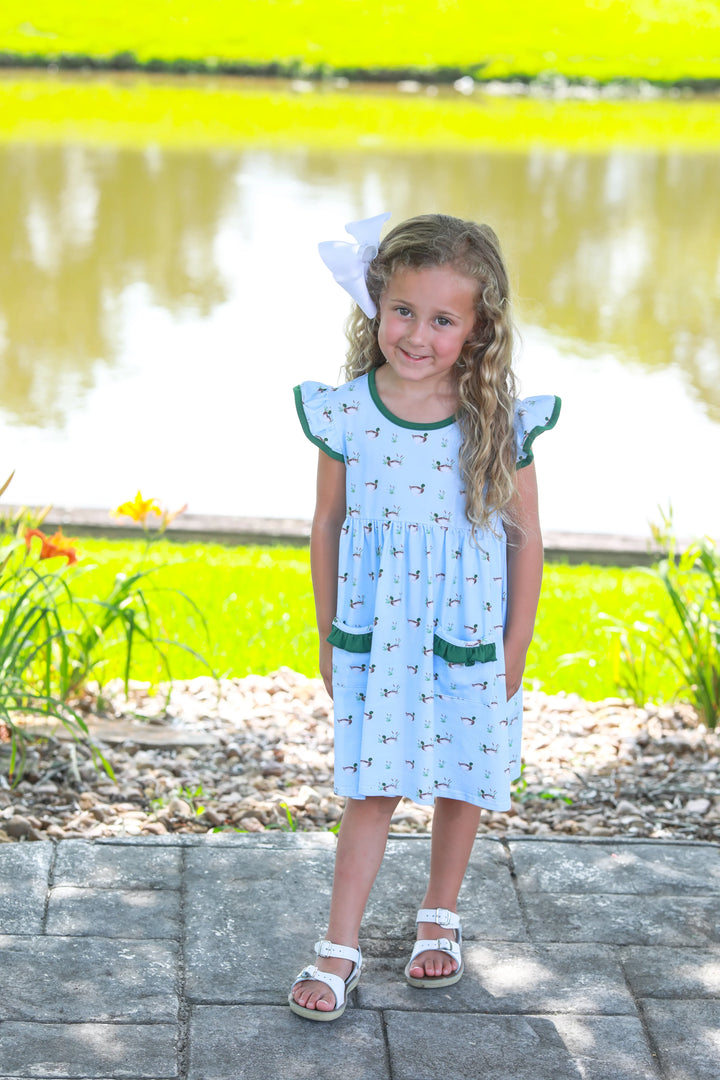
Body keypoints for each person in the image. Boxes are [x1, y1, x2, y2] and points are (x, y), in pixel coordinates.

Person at [289, 212, 560, 1021]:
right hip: (378, 631)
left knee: (461, 776)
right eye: (403, 310)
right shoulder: (344, 414)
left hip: (468, 631)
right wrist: (330, 632)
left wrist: (516, 642)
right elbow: (329, 524)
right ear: (376, 305)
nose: (417, 334)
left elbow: (526, 535)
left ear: (477, 331)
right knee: (370, 788)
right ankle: (338, 947)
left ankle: (438, 916)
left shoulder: (496, 421)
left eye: (444, 319)